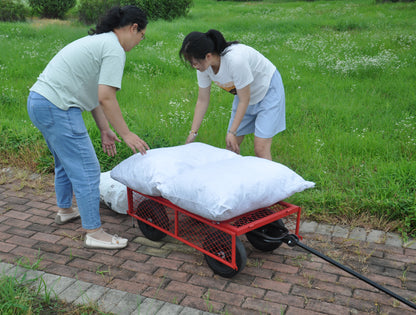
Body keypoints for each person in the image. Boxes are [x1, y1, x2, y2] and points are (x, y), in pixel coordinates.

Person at [27, 5, 149, 249]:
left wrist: (105, 129)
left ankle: (65, 210)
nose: (139, 41)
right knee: (88, 170)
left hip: (39, 101)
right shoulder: (114, 49)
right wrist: (126, 133)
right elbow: (106, 96)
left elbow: (93, 94)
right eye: (141, 35)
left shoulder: (99, 42)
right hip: (58, 107)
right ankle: (94, 232)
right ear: (133, 28)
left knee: (64, 160)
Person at [180, 29, 285, 161]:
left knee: (260, 149)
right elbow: (202, 100)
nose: (193, 66)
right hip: (244, 94)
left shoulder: (235, 60)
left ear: (208, 56)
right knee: (231, 146)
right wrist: (193, 133)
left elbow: (244, 99)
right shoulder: (203, 68)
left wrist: (232, 131)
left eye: (194, 62)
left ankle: (272, 181)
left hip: (267, 90)